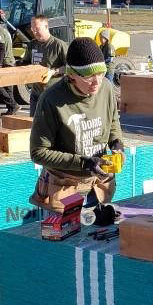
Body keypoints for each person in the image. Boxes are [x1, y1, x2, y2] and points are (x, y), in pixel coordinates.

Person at [29, 38, 124, 213]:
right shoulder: (51, 100)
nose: (97, 82)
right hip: (65, 188)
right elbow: (38, 153)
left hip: (98, 186)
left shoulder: (106, 88)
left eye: (101, 74)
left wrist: (116, 142)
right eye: (88, 76)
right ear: (71, 74)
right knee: (68, 237)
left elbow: (112, 121)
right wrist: (82, 163)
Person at [22, 15, 68, 117]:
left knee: (52, 126)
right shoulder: (32, 45)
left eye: (37, 29)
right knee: (33, 124)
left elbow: (71, 67)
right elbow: (25, 63)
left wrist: (53, 71)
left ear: (46, 27)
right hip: (36, 93)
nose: (34, 32)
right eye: (33, 29)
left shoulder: (58, 45)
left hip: (54, 93)